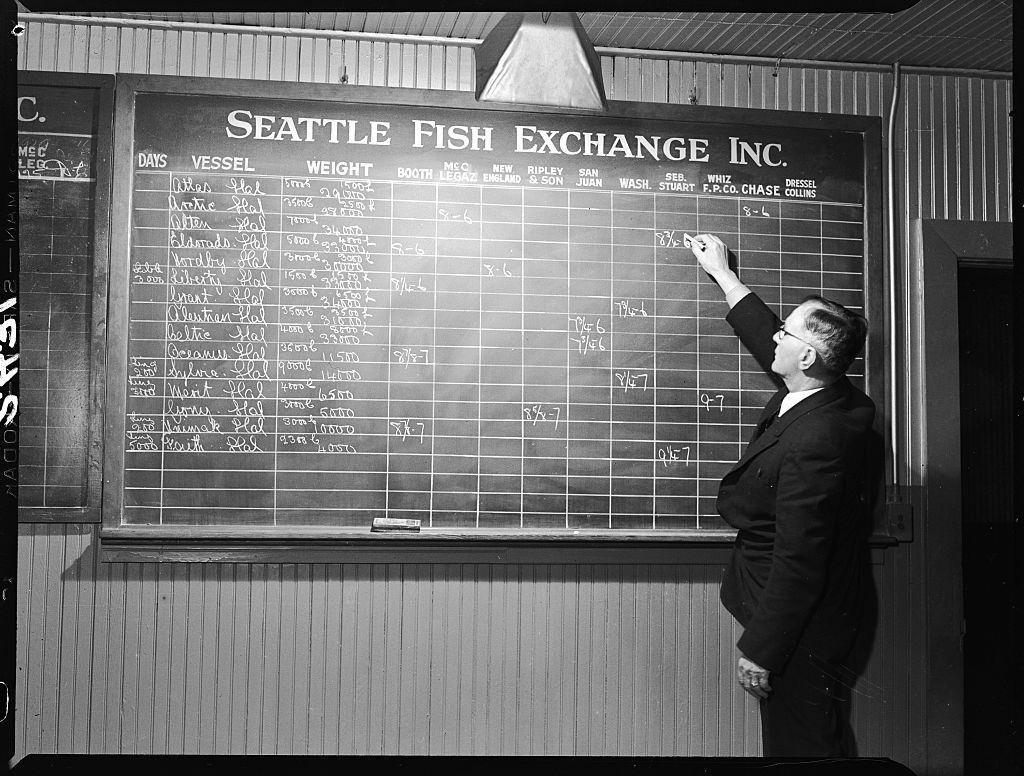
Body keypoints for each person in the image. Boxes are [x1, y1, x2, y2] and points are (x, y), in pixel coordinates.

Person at [688, 233, 877, 757]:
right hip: (801, 611)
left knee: (803, 748)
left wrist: (762, 651)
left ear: (809, 356)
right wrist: (724, 275)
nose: (775, 338)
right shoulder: (830, 394)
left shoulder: (819, 438)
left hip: (802, 626)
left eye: (786, 334)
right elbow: (766, 335)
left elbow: (801, 557)